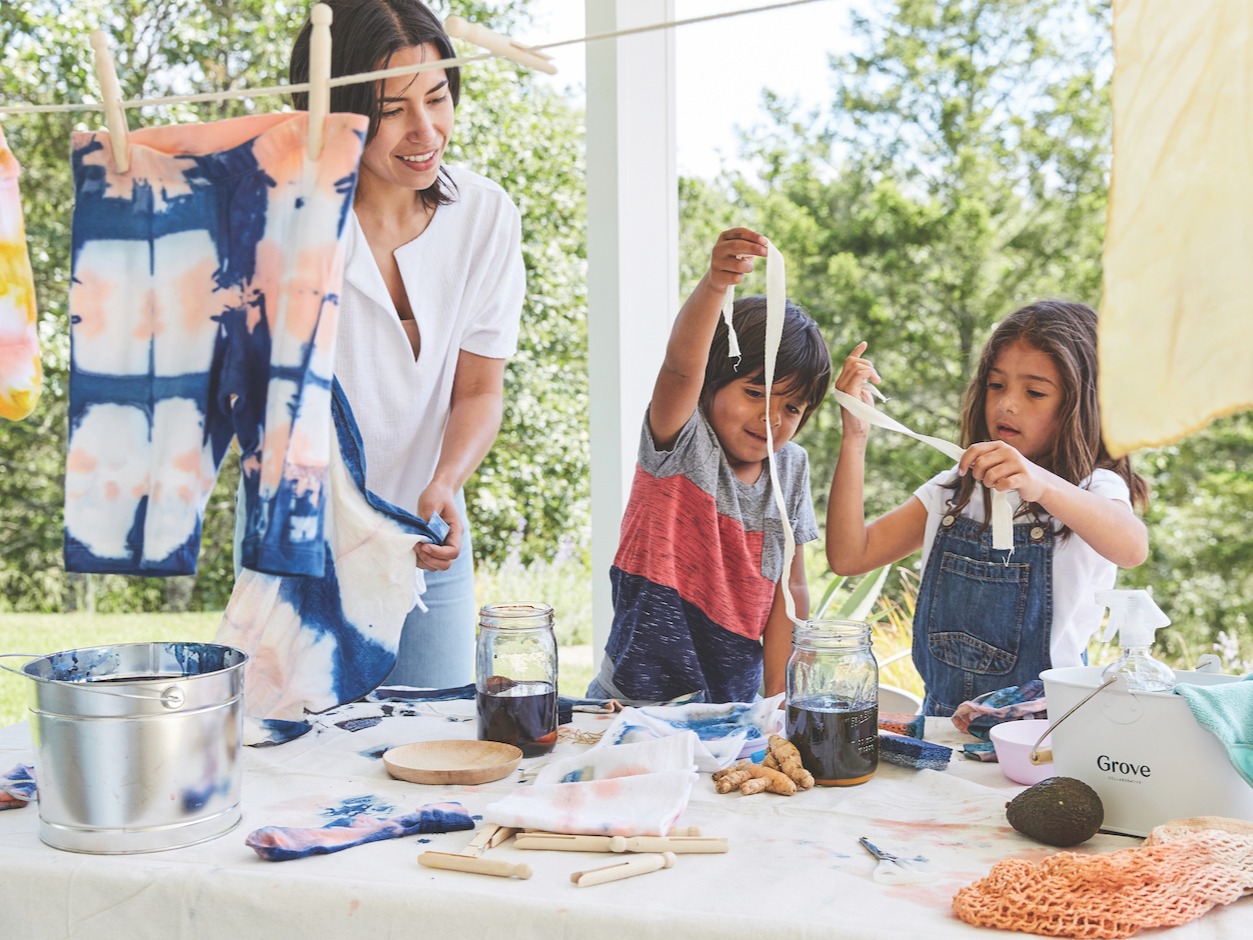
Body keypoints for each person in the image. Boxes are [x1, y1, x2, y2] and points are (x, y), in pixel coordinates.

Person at [286, 0, 525, 687]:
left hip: (427, 528)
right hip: (305, 531)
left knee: (440, 733)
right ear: (334, 112)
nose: (425, 130)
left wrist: (445, 482)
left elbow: (479, 390)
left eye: (438, 96)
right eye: (392, 109)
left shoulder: (484, 216)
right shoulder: (289, 218)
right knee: (302, 759)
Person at [826, 300, 1150, 716]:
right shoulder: (954, 492)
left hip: (1041, 731)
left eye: (1034, 392)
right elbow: (850, 556)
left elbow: (1132, 547)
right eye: (997, 385)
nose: (1007, 404)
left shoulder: (1090, 489)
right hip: (945, 730)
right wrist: (855, 436)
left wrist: (1040, 483)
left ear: (1079, 404)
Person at [587, 228, 833, 705]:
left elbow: (792, 585)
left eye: (792, 408)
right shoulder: (681, 439)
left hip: (731, 712)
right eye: (755, 394)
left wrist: (778, 704)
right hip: (630, 705)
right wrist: (716, 286)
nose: (771, 419)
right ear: (713, 383)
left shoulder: (791, 468)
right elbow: (680, 368)